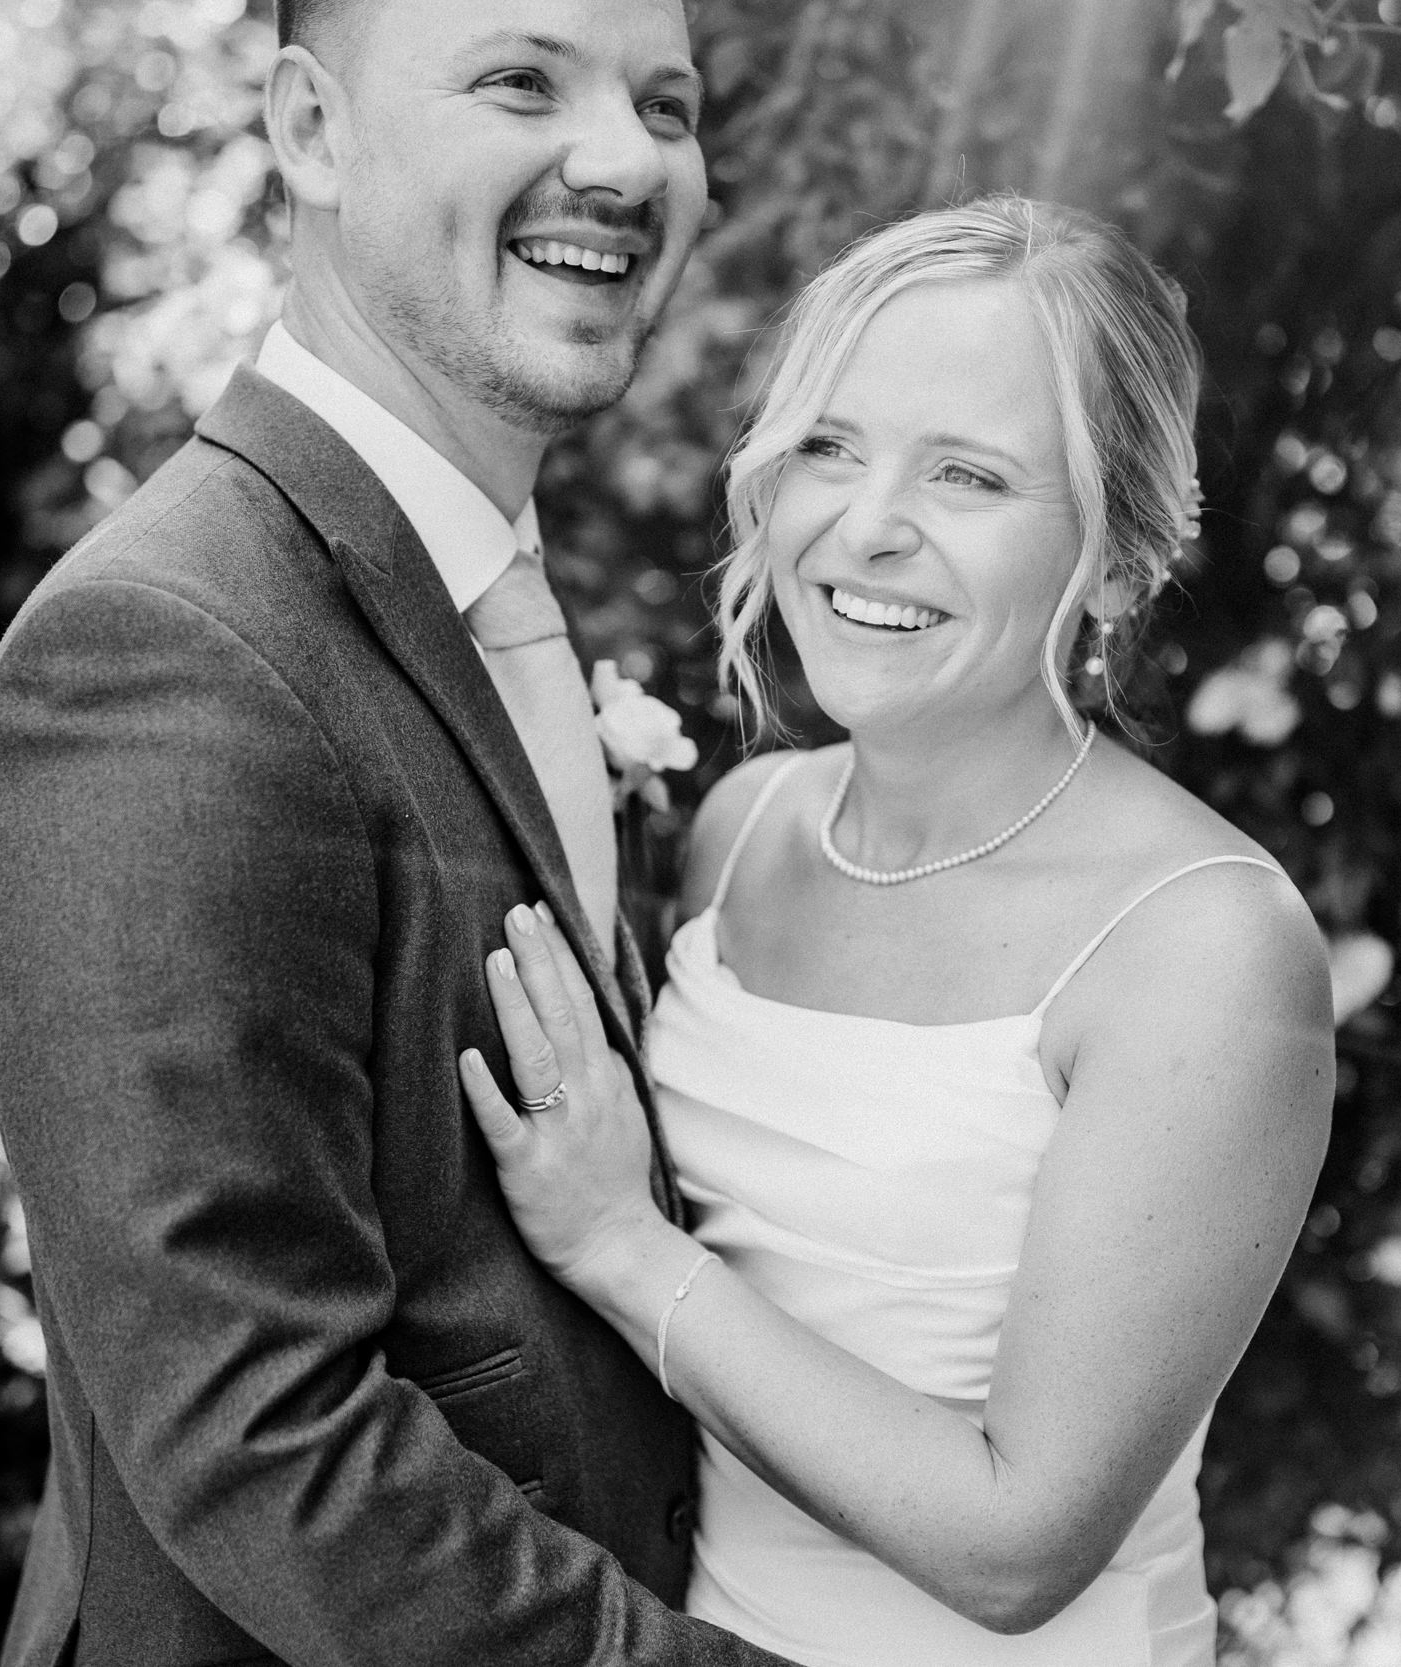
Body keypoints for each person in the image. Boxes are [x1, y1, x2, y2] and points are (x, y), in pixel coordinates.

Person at [0, 0, 793, 1661]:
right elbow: (265, 1433)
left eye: (667, 106)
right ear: (311, 129)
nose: (626, 163)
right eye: (522, 80)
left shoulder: (484, 604)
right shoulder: (164, 653)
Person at [457, 197, 1338, 1666]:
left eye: (969, 474)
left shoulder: (1205, 950)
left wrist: (616, 1243)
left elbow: (1018, 1546)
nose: (866, 527)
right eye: (828, 446)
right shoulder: (746, 830)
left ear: (1119, 560)